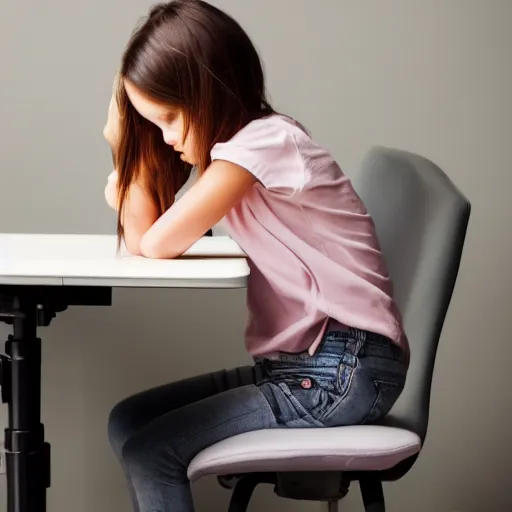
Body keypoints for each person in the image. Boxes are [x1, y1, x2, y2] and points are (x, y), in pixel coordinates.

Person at [103, 1, 410, 511]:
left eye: (171, 119)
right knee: (128, 421)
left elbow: (155, 243)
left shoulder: (261, 146)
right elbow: (145, 240)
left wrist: (120, 142)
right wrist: (133, 139)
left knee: (151, 451)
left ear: (211, 90)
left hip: (341, 369)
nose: (170, 138)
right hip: (307, 364)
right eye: (154, 125)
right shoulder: (239, 152)